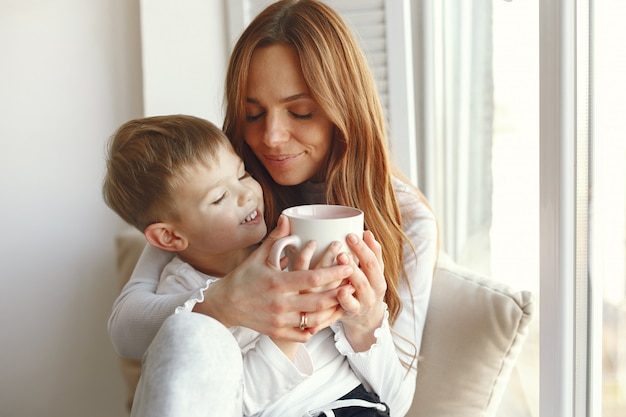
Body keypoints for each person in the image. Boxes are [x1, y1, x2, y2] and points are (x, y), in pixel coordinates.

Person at [108, 1, 438, 416]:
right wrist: (225, 300)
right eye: (253, 113)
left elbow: (397, 399)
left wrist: (366, 319)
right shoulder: (219, 208)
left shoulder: (405, 218)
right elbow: (126, 330)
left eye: (300, 111)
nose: (272, 137)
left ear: (345, 108)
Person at [103, 114, 389, 416]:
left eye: (241, 175)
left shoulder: (288, 244)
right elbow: (235, 402)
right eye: (219, 198)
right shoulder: (182, 295)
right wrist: (286, 334)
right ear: (170, 236)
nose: (246, 194)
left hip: (350, 404)